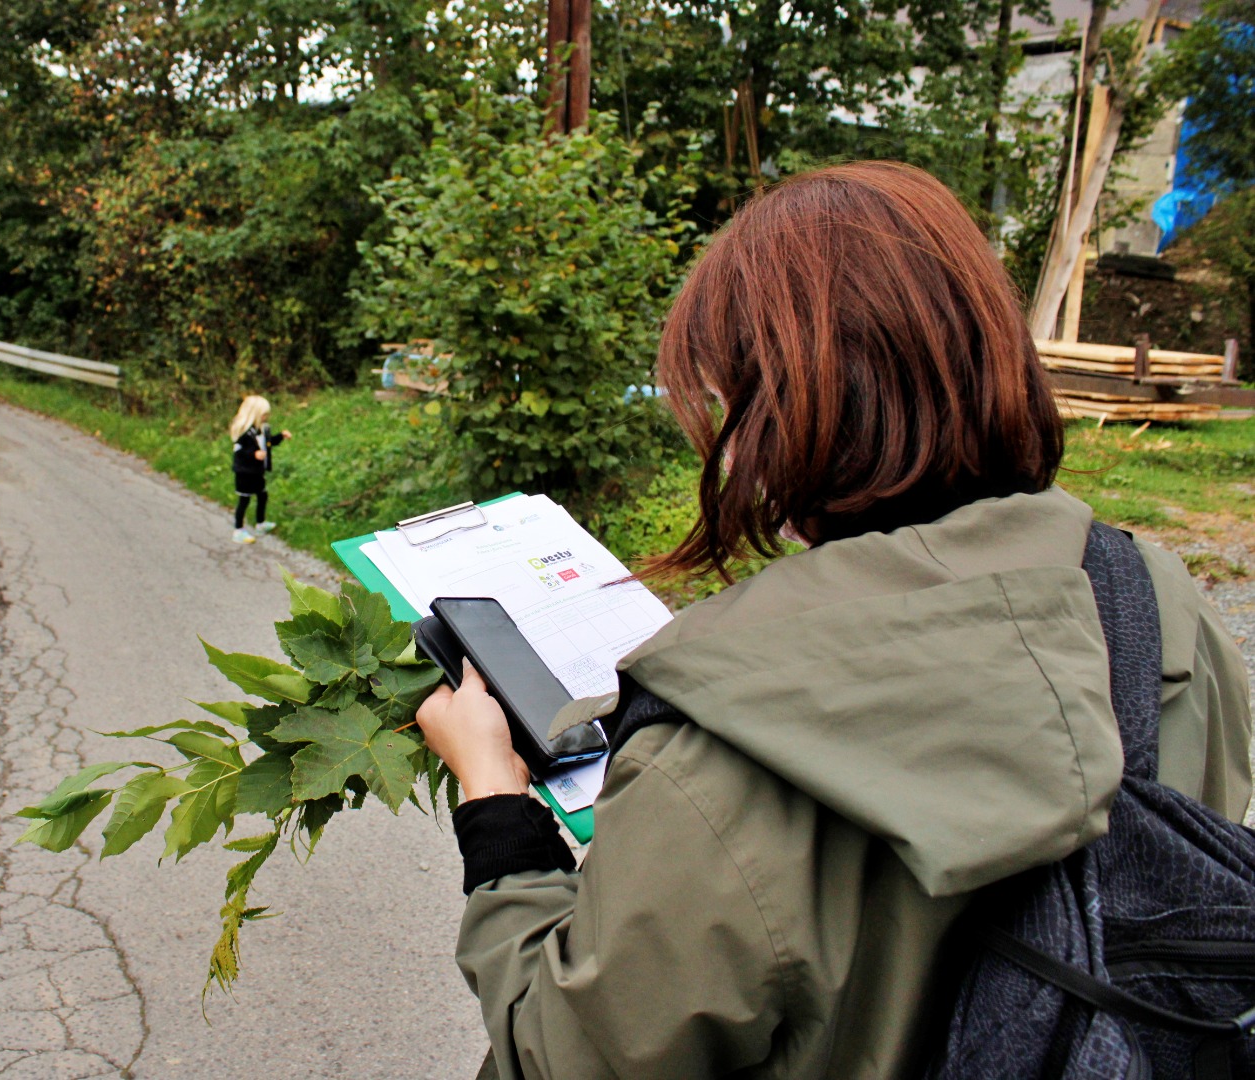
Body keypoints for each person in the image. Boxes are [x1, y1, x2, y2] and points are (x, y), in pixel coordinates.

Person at [414, 162, 1253, 1079]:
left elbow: (564, 1055)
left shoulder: (730, 750)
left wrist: (497, 807)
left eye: (731, 401)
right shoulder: (1159, 602)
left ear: (782, 412)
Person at [228, 394, 291, 544]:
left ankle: (260, 523)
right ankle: (238, 530)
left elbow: (268, 444)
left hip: (257, 472)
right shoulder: (244, 433)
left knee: (262, 496)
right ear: (254, 414)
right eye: (264, 414)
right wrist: (253, 454)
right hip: (245, 473)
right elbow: (239, 451)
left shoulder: (263, 430)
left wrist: (281, 436)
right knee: (244, 500)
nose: (266, 417)